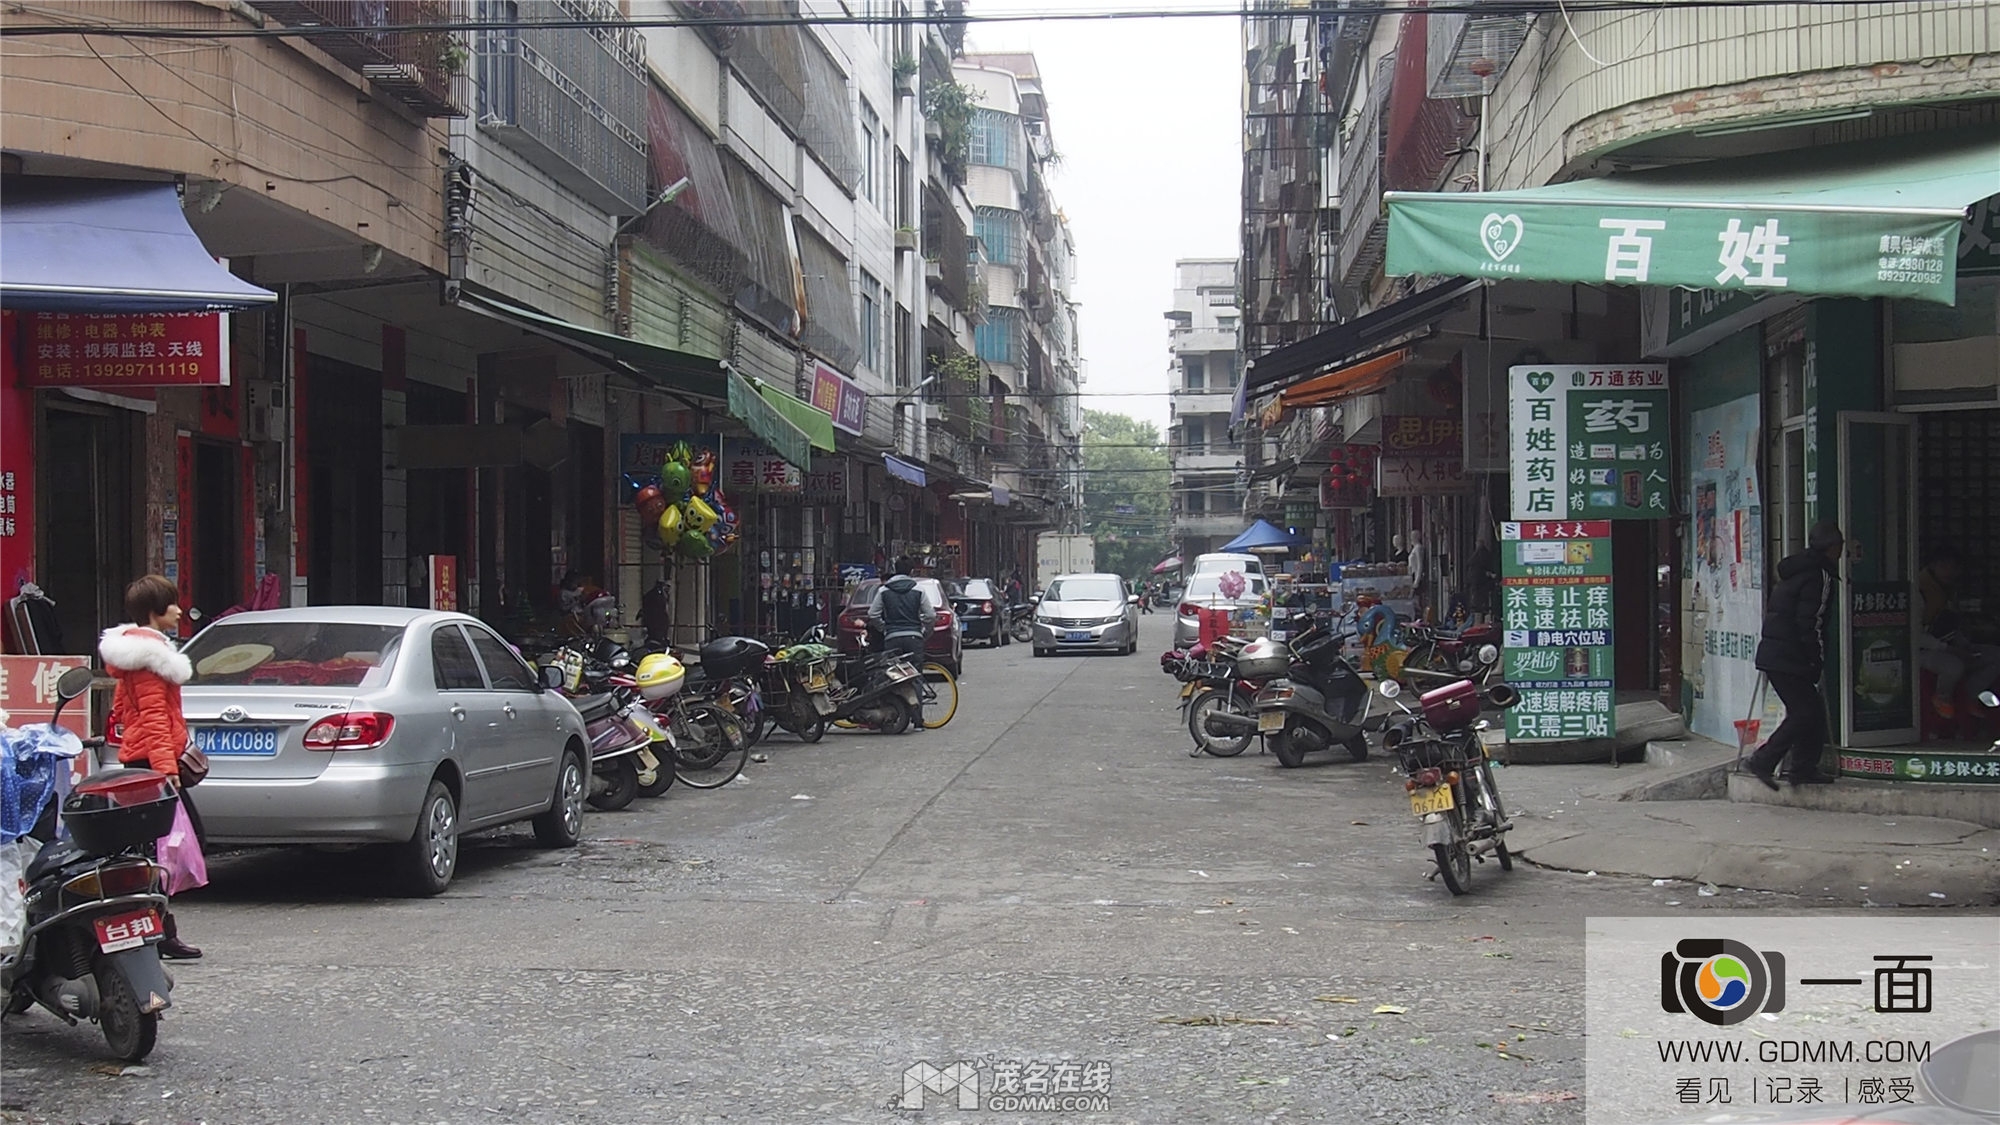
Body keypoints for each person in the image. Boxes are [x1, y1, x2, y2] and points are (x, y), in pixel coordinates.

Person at [98, 574, 204, 960]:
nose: (179, 609)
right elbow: (155, 718)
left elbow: (124, 711)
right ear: (155, 612)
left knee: (150, 853)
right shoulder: (150, 659)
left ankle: (158, 930)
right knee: (155, 855)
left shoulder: (139, 653)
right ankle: (156, 932)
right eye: (172, 604)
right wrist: (167, 771)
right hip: (152, 763)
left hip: (142, 758)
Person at [1745, 522, 1845, 789]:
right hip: (1790, 655)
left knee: (1811, 711)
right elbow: (1811, 622)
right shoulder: (1819, 576)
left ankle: (1802, 768)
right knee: (1804, 712)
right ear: (1834, 548)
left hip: (1777, 652)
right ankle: (1764, 759)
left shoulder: (1796, 571)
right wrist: (1816, 659)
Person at [1917, 547, 2000, 721]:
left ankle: (1970, 696)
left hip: (1951, 645)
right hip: (1921, 651)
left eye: (1954, 567)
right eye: (1946, 566)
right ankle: (1942, 698)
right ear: (1934, 565)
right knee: (1954, 665)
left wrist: (1963, 645)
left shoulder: (1947, 591)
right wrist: (1947, 649)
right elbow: (1915, 636)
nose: (1951, 572)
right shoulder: (1919, 592)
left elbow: (1951, 626)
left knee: (1994, 656)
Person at [868, 571, 936, 732]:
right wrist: (925, 632)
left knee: (892, 677)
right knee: (915, 677)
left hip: (892, 639)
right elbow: (930, 615)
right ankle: (918, 721)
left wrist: (885, 628)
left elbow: (873, 614)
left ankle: (894, 716)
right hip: (914, 638)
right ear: (911, 572)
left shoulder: (884, 591)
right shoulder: (919, 590)